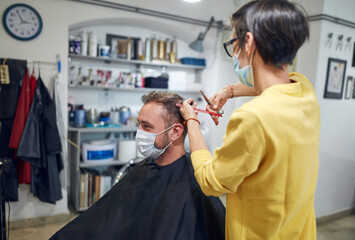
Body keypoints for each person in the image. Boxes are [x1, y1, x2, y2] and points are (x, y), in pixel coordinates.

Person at [179, 0, 321, 239]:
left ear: (248, 42)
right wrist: (229, 91)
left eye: (233, 43)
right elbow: (273, 85)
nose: (233, 53)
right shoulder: (305, 92)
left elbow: (210, 182)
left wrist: (192, 121)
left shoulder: (253, 117)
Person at [50, 91, 225, 240]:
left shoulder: (195, 182)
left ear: (175, 132)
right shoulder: (144, 169)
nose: (139, 133)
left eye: (147, 127)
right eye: (139, 125)